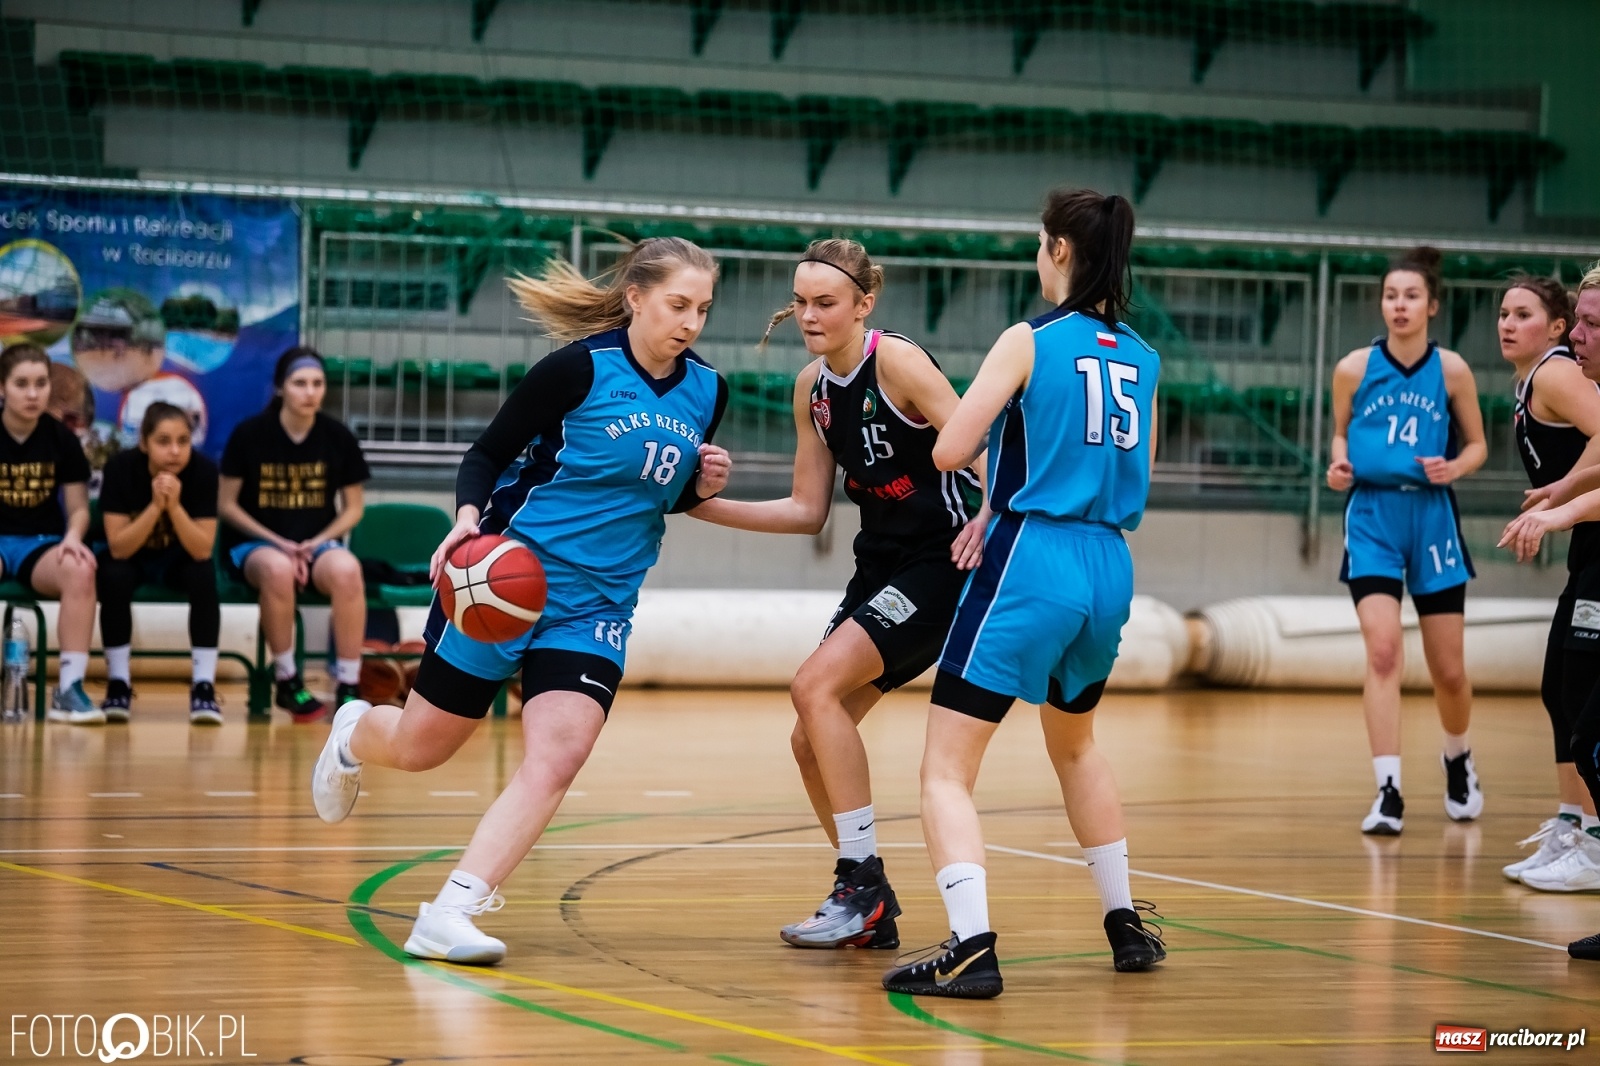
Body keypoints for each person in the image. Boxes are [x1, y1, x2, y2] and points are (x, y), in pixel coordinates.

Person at [310, 237, 730, 965]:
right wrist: (468, 521)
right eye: (677, 305)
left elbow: (661, 493)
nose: (691, 322)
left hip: (595, 606)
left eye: (702, 309)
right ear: (635, 298)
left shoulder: (708, 390)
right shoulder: (578, 369)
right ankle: (353, 729)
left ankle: (452, 909)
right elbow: (486, 455)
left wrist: (703, 484)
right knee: (420, 749)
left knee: (558, 755)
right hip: (504, 584)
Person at [880, 188, 1165, 1000]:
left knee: (944, 769)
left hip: (1031, 557)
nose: (1037, 259)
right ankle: (1125, 926)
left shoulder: (1030, 338)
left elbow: (949, 449)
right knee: (1076, 746)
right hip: (1109, 564)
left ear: (1062, 251)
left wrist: (999, 488)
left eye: (1041, 245)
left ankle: (971, 947)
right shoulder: (1142, 354)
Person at [690, 239, 988, 950]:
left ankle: (858, 882)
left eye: (825, 303)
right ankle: (870, 900)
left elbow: (986, 449)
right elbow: (805, 510)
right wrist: (697, 506)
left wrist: (991, 513)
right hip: (879, 571)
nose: (809, 315)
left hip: (941, 564)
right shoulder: (813, 390)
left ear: (864, 303)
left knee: (812, 687)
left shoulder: (900, 363)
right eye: (800, 302)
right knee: (807, 741)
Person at [1325, 246, 1487, 835]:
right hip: (1371, 516)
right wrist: (1338, 465)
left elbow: (1477, 446)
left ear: (1432, 306)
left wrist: (1456, 469)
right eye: (1391, 295)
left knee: (1449, 669)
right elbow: (1339, 436)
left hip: (1432, 518)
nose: (1400, 305)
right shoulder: (1351, 368)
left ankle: (1457, 756)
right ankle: (1388, 789)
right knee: (1384, 651)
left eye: (1411, 295)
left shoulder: (1453, 371)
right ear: (1382, 303)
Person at [1500, 264, 1600, 947]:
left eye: (1523, 313)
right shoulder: (1536, 378)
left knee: (1582, 703)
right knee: (1559, 692)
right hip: (1585, 543)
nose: (1508, 324)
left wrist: (1561, 494)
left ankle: (1591, 840)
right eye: (1502, 313)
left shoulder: (1559, 374)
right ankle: (1574, 825)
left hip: (1594, 542)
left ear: (1557, 328)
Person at [219, 347, 370, 721]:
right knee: (277, 569)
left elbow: (353, 508)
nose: (310, 392)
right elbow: (226, 504)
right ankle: (287, 679)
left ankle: (349, 685)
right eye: (300, 383)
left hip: (315, 544)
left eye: (317, 383)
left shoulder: (338, 437)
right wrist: (279, 544)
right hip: (257, 545)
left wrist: (315, 543)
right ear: (280, 389)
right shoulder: (250, 434)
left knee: (348, 570)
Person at [96, 402, 222, 724]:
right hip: (134, 557)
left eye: (183, 440)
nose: (175, 451)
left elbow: (202, 549)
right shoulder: (120, 469)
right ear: (144, 443)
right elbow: (119, 547)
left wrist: (175, 507)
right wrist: (155, 507)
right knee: (113, 573)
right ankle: (118, 682)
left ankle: (204, 686)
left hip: (179, 559)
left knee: (203, 574)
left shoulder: (205, 471)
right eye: (164, 441)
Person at [0, 343, 98, 723]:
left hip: (38, 545)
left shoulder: (61, 439)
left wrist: (73, 538)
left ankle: (69, 689)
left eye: (40, 383)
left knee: (80, 569)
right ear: (2, 388)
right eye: (21, 383)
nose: (32, 393)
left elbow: (77, 508)